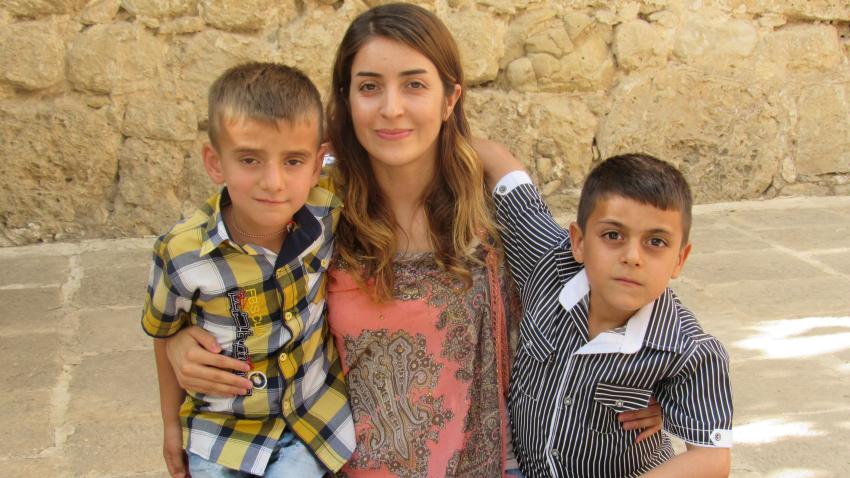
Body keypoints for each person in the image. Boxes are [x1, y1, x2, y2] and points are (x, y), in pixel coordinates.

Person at [161, 4, 665, 477]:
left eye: (415, 85)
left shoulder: (490, 208)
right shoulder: (311, 208)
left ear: (450, 99)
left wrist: (668, 380)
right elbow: (207, 271)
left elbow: (604, 275)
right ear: (347, 100)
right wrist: (178, 345)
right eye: (369, 87)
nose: (391, 109)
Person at [141, 62, 354, 478]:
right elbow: (163, 335)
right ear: (215, 163)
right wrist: (170, 426)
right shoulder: (181, 254)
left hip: (314, 422)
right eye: (250, 159)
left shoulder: (325, 206)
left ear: (317, 164)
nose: (273, 182)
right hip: (222, 435)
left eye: (293, 161)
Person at [480, 148, 733, 477]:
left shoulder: (688, 350)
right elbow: (505, 173)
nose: (632, 256)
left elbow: (711, 460)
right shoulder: (549, 265)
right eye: (613, 235)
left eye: (655, 242)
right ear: (579, 242)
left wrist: (667, 411)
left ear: (680, 260)